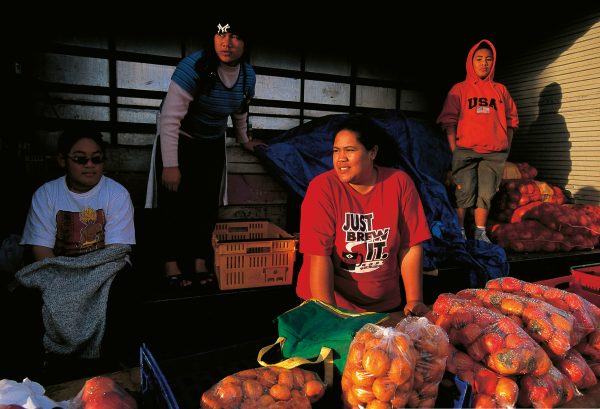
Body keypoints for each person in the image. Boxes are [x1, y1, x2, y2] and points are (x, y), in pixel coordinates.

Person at [14, 126, 137, 377]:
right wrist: (68, 283)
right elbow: (41, 252)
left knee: (123, 292)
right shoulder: (46, 194)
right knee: (25, 298)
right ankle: (42, 374)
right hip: (59, 269)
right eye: (80, 159)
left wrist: (88, 281)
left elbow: (116, 252)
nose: (89, 165)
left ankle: (111, 368)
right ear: (63, 160)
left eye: (96, 158)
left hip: (105, 272)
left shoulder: (117, 194)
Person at [153, 19, 265, 288]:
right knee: (174, 206)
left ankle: (200, 260)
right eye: (221, 34)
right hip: (179, 141)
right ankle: (171, 262)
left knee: (205, 206)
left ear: (246, 43)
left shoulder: (248, 76)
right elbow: (169, 119)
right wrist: (171, 165)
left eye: (236, 36)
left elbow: (240, 110)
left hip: (211, 144)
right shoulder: (193, 67)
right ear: (213, 37)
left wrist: (244, 139)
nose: (227, 43)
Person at [295, 115, 432, 315]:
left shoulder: (399, 183)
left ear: (372, 152)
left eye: (350, 150)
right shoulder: (322, 188)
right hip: (331, 302)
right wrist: (330, 316)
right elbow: (318, 257)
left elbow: (410, 246)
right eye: (336, 151)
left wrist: (414, 300)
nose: (340, 158)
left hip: (384, 305)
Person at [437, 39, 519, 242]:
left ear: (493, 63)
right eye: (479, 59)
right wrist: (454, 149)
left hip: (494, 152)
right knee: (464, 190)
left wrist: (505, 147)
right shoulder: (460, 89)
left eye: (488, 59)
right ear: (470, 62)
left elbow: (512, 121)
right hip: (465, 150)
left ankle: (480, 232)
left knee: (486, 192)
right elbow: (449, 121)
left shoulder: (500, 90)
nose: (484, 63)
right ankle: (460, 232)